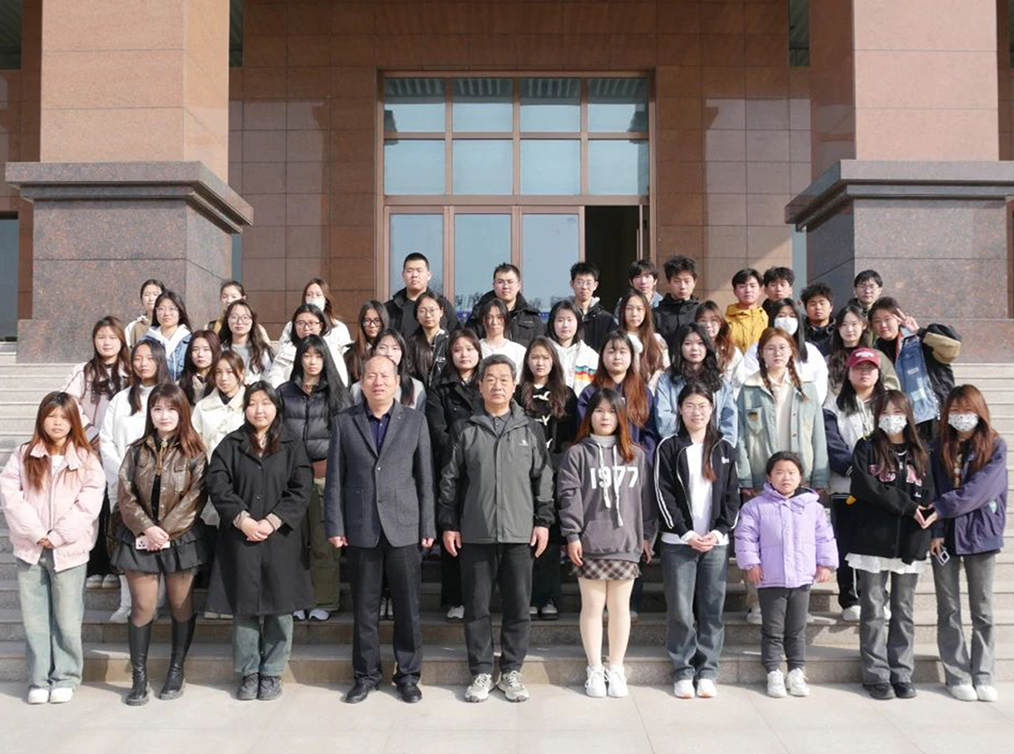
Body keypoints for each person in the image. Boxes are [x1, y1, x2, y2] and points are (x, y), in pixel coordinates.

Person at [438, 355, 554, 704]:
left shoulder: (530, 429)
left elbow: (543, 478)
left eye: (504, 379)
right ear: (480, 385)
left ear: (515, 385)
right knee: (476, 608)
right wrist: (449, 523)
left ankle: (513, 670)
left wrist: (543, 521)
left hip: (520, 532)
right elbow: (449, 479)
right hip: (476, 531)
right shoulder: (465, 428)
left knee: (518, 607)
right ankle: (482, 671)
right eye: (490, 378)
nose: (497, 385)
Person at [324, 355, 435, 704]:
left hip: (405, 527)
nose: (378, 382)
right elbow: (335, 479)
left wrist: (428, 524)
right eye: (371, 376)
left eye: (385, 376)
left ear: (397, 380)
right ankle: (366, 675)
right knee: (365, 608)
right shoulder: (345, 422)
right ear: (361, 381)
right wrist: (336, 524)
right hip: (361, 527)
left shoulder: (415, 421)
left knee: (407, 607)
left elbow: (425, 479)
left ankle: (408, 675)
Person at [206, 382, 313, 702]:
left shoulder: (292, 443)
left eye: (266, 403)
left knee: (280, 607)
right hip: (241, 537)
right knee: (245, 607)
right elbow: (218, 484)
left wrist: (272, 521)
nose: (259, 410)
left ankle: (273, 672)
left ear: (277, 407)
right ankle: (249, 671)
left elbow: (301, 488)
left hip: (280, 537)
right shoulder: (231, 444)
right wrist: (243, 520)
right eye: (252, 403)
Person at [0, 392, 104, 705]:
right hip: (30, 550)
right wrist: (36, 533)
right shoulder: (23, 454)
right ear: (41, 419)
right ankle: (39, 679)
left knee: (67, 619)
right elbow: (11, 497)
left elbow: (89, 504)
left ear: (73, 422)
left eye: (63, 417)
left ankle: (65, 677)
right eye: (51, 416)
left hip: (69, 551)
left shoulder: (86, 459)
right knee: (34, 621)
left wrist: (59, 535)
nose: (57, 423)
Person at [557, 388, 655, 698]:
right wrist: (572, 534)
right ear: (589, 416)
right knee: (592, 607)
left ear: (621, 417)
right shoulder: (577, 454)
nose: (604, 417)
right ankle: (594, 668)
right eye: (598, 411)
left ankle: (616, 667)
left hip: (626, 542)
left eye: (611, 412)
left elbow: (646, 499)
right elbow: (569, 496)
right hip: (591, 542)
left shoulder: (636, 455)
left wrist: (647, 535)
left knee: (620, 608)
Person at [112, 384, 207, 705]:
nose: (164, 415)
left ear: (182, 412)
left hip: (180, 539)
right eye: (157, 408)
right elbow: (125, 493)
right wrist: (147, 528)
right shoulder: (136, 451)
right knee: (143, 607)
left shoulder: (195, 452)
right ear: (149, 413)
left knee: (181, 606)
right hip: (139, 537)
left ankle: (176, 670)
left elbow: (196, 497)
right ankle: (139, 678)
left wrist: (164, 530)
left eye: (171, 408)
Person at [847, 389, 936, 700]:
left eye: (897, 413)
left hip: (910, 541)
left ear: (908, 415)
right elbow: (863, 486)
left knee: (903, 609)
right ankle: (876, 675)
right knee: (873, 609)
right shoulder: (867, 446)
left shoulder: (922, 451)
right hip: (872, 540)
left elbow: (930, 495)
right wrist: (906, 505)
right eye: (884, 413)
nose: (891, 419)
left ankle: (902, 672)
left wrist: (923, 518)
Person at [736, 327, 828, 624]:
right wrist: (745, 478)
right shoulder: (749, 389)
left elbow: (818, 436)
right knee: (762, 541)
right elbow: (740, 437)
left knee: (800, 542)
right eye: (770, 348)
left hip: (799, 478)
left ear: (792, 352)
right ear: (761, 354)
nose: (777, 353)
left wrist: (819, 477)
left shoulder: (807, 388)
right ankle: (757, 601)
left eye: (783, 348)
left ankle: (800, 604)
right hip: (762, 477)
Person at [654, 382, 739, 699]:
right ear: (679, 410)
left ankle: (707, 671)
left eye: (703, 406)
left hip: (715, 544)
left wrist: (719, 532)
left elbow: (732, 497)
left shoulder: (724, 449)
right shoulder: (669, 447)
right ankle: (683, 670)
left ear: (712, 410)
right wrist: (685, 532)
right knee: (680, 610)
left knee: (712, 608)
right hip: (679, 544)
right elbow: (662, 494)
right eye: (689, 405)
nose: (696, 412)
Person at [736, 451, 838, 699]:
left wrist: (825, 564)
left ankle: (796, 671)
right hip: (770, 578)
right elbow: (745, 537)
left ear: (801, 477)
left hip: (801, 578)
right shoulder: (755, 507)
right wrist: (751, 564)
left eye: (792, 473)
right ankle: (773, 672)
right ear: (769, 477)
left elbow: (824, 537)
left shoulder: (812, 507)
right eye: (779, 472)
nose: (786, 477)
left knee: (796, 628)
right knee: (772, 629)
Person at [929, 385, 1007, 703]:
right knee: (948, 608)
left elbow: (980, 491)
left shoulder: (995, 446)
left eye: (968, 410)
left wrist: (941, 508)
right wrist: (936, 528)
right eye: (956, 411)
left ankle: (983, 674)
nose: (962, 417)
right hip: (944, 536)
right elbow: (933, 488)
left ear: (980, 412)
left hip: (981, 534)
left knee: (982, 609)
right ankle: (957, 674)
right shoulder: (938, 446)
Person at [279, 335, 352, 623]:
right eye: (307, 355)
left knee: (324, 543)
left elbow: (346, 439)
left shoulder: (337, 393)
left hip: (324, 476)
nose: (312, 362)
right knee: (293, 543)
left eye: (318, 356)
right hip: (291, 478)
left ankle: (324, 599)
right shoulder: (284, 392)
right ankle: (295, 599)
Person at [100, 340, 171, 624]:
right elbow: (106, 440)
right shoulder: (121, 399)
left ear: (160, 361)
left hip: (159, 485)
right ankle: (126, 603)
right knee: (125, 543)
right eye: (138, 358)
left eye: (149, 358)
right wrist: (124, 475)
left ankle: (155, 603)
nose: (143, 363)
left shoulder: (169, 397)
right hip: (122, 484)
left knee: (156, 541)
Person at [61, 316, 130, 590]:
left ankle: (114, 567)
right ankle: (94, 567)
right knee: (92, 507)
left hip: (120, 449)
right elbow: (67, 403)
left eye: (112, 337)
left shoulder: (130, 372)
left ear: (122, 341)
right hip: (89, 449)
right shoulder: (84, 371)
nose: (106, 342)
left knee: (114, 508)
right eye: (101, 337)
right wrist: (90, 433)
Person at [515, 337, 578, 621]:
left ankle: (549, 597)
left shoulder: (566, 394)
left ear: (553, 361)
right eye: (535, 357)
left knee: (551, 538)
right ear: (527, 361)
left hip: (555, 473)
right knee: (527, 537)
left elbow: (572, 437)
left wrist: (556, 464)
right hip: (523, 474)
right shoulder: (518, 394)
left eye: (545, 357)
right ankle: (528, 597)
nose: (539, 363)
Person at [425, 328, 483, 623]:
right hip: (451, 468)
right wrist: (464, 453)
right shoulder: (439, 389)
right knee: (452, 533)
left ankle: (479, 597)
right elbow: (438, 430)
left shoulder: (486, 383)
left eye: (469, 349)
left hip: (485, 468)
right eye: (458, 349)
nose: (464, 354)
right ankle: (455, 598)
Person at [824, 348, 885, 622]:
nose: (864, 373)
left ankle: (878, 597)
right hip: (846, 487)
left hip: (882, 489)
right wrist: (857, 471)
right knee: (847, 544)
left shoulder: (889, 404)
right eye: (859, 368)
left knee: (878, 544)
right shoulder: (833, 405)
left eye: (870, 368)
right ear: (848, 373)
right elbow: (832, 443)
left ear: (878, 373)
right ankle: (850, 598)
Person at [190, 351, 247, 621]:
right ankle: (217, 602)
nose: (224, 378)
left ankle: (236, 600)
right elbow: (196, 445)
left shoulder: (251, 402)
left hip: (244, 483)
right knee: (215, 542)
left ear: (241, 374)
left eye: (230, 372)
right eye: (219, 373)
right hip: (213, 481)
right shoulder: (203, 407)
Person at [870, 297, 961, 437]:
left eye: (887, 319)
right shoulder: (876, 351)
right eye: (877, 321)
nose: (883, 325)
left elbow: (952, 348)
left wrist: (920, 331)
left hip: (935, 415)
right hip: (903, 421)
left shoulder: (920, 340)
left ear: (898, 319)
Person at [578, 332, 659, 459]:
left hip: (634, 461)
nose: (617, 357)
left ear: (631, 356)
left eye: (623, 352)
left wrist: (641, 459)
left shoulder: (643, 392)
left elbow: (650, 433)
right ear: (602, 356)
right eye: (611, 351)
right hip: (599, 460)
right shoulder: (589, 393)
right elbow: (585, 432)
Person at [654, 324, 737, 443]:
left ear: (708, 347)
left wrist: (721, 448)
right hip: (678, 446)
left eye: (700, 343)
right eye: (688, 343)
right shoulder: (667, 380)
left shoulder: (721, 382)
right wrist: (691, 439)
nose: (694, 348)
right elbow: (664, 421)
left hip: (714, 446)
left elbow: (729, 421)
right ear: (680, 347)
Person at [742, 298, 829, 406]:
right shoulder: (756, 349)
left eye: (792, 316)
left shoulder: (811, 351)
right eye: (781, 316)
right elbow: (749, 379)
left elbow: (820, 384)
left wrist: (806, 408)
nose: (787, 320)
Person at [267, 304, 350, 388]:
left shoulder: (331, 350)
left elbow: (341, 381)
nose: (306, 328)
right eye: (300, 323)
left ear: (321, 326)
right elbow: (274, 378)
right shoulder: (285, 352)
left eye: (311, 323)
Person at [826, 302, 900, 397]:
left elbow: (892, 386)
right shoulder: (829, 360)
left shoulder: (877, 356)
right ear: (838, 328)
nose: (849, 329)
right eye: (844, 324)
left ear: (864, 325)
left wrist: (873, 399)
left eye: (854, 324)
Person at [465, 263, 545, 347]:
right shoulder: (479, 316)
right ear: (494, 285)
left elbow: (539, 349)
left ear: (518, 285)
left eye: (510, 282)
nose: (505, 286)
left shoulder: (531, 317)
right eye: (500, 282)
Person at [385, 252, 459, 339]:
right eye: (409, 271)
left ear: (428, 275)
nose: (414, 275)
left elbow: (456, 337)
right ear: (403, 275)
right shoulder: (390, 308)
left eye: (419, 270)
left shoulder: (442, 305)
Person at [350, 328, 425, 411]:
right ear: (374, 351)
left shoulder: (416, 388)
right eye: (382, 348)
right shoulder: (357, 389)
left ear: (402, 353)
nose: (389, 353)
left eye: (395, 348)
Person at [278, 278, 353, 357]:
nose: (313, 298)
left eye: (318, 295)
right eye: (309, 295)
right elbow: (282, 350)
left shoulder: (339, 327)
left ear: (326, 299)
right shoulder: (291, 326)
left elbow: (346, 355)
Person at [618, 289, 669, 392]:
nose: (634, 314)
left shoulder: (657, 340)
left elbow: (666, 370)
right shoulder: (616, 340)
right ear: (622, 311)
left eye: (639, 309)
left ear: (646, 311)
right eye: (629, 309)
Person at [546, 299, 598, 396]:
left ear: (578, 322)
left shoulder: (590, 356)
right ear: (552, 323)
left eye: (570, 320)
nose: (565, 325)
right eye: (560, 320)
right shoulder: (544, 352)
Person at [695, 300, 747, 395]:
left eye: (713, 320)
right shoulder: (693, 350)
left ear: (720, 323)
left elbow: (739, 384)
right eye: (703, 321)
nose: (708, 325)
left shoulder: (732, 351)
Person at [220, 299, 275, 383]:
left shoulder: (262, 351)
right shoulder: (220, 350)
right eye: (234, 317)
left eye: (245, 317)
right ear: (227, 320)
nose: (239, 322)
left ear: (252, 321)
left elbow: (270, 379)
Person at [143, 290, 192, 382]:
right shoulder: (145, 341)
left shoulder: (191, 341)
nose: (166, 313)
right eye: (161, 309)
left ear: (180, 312)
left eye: (172, 309)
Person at [654, 256, 701, 352]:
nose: (682, 286)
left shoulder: (701, 312)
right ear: (669, 282)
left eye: (687, 281)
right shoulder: (656, 314)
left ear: (694, 282)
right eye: (677, 281)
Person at [405, 290, 450, 388]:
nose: (428, 315)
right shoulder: (411, 344)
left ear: (441, 312)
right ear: (416, 315)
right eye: (422, 311)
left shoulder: (451, 342)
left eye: (432, 310)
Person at [567, 261, 615, 352]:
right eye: (580, 282)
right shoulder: (563, 315)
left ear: (595, 285)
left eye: (588, 283)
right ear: (572, 284)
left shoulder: (606, 319)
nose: (584, 287)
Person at [478, 298, 527, 377]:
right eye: (489, 317)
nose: (494, 322)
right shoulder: (475, 348)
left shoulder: (519, 351)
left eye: (499, 317)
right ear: (483, 320)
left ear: (506, 319)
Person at [725, 268, 768, 354]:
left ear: (760, 290)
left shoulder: (767, 318)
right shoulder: (725, 321)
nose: (748, 290)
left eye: (752, 286)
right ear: (735, 292)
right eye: (742, 286)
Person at [345, 300, 388, 384]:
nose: (372, 325)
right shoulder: (351, 354)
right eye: (367, 320)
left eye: (377, 320)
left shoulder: (391, 350)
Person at [177, 329, 221, 405]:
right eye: (195, 349)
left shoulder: (221, 381)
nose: (200, 354)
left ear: (215, 351)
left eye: (206, 349)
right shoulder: (180, 385)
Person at [124, 279, 165, 347]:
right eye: (147, 295)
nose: (151, 298)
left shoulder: (170, 324)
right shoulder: (133, 327)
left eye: (155, 294)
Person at [801, 282, 835, 356]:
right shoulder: (799, 332)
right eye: (813, 304)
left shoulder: (839, 330)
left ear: (831, 307)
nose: (818, 307)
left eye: (822, 303)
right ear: (805, 309)